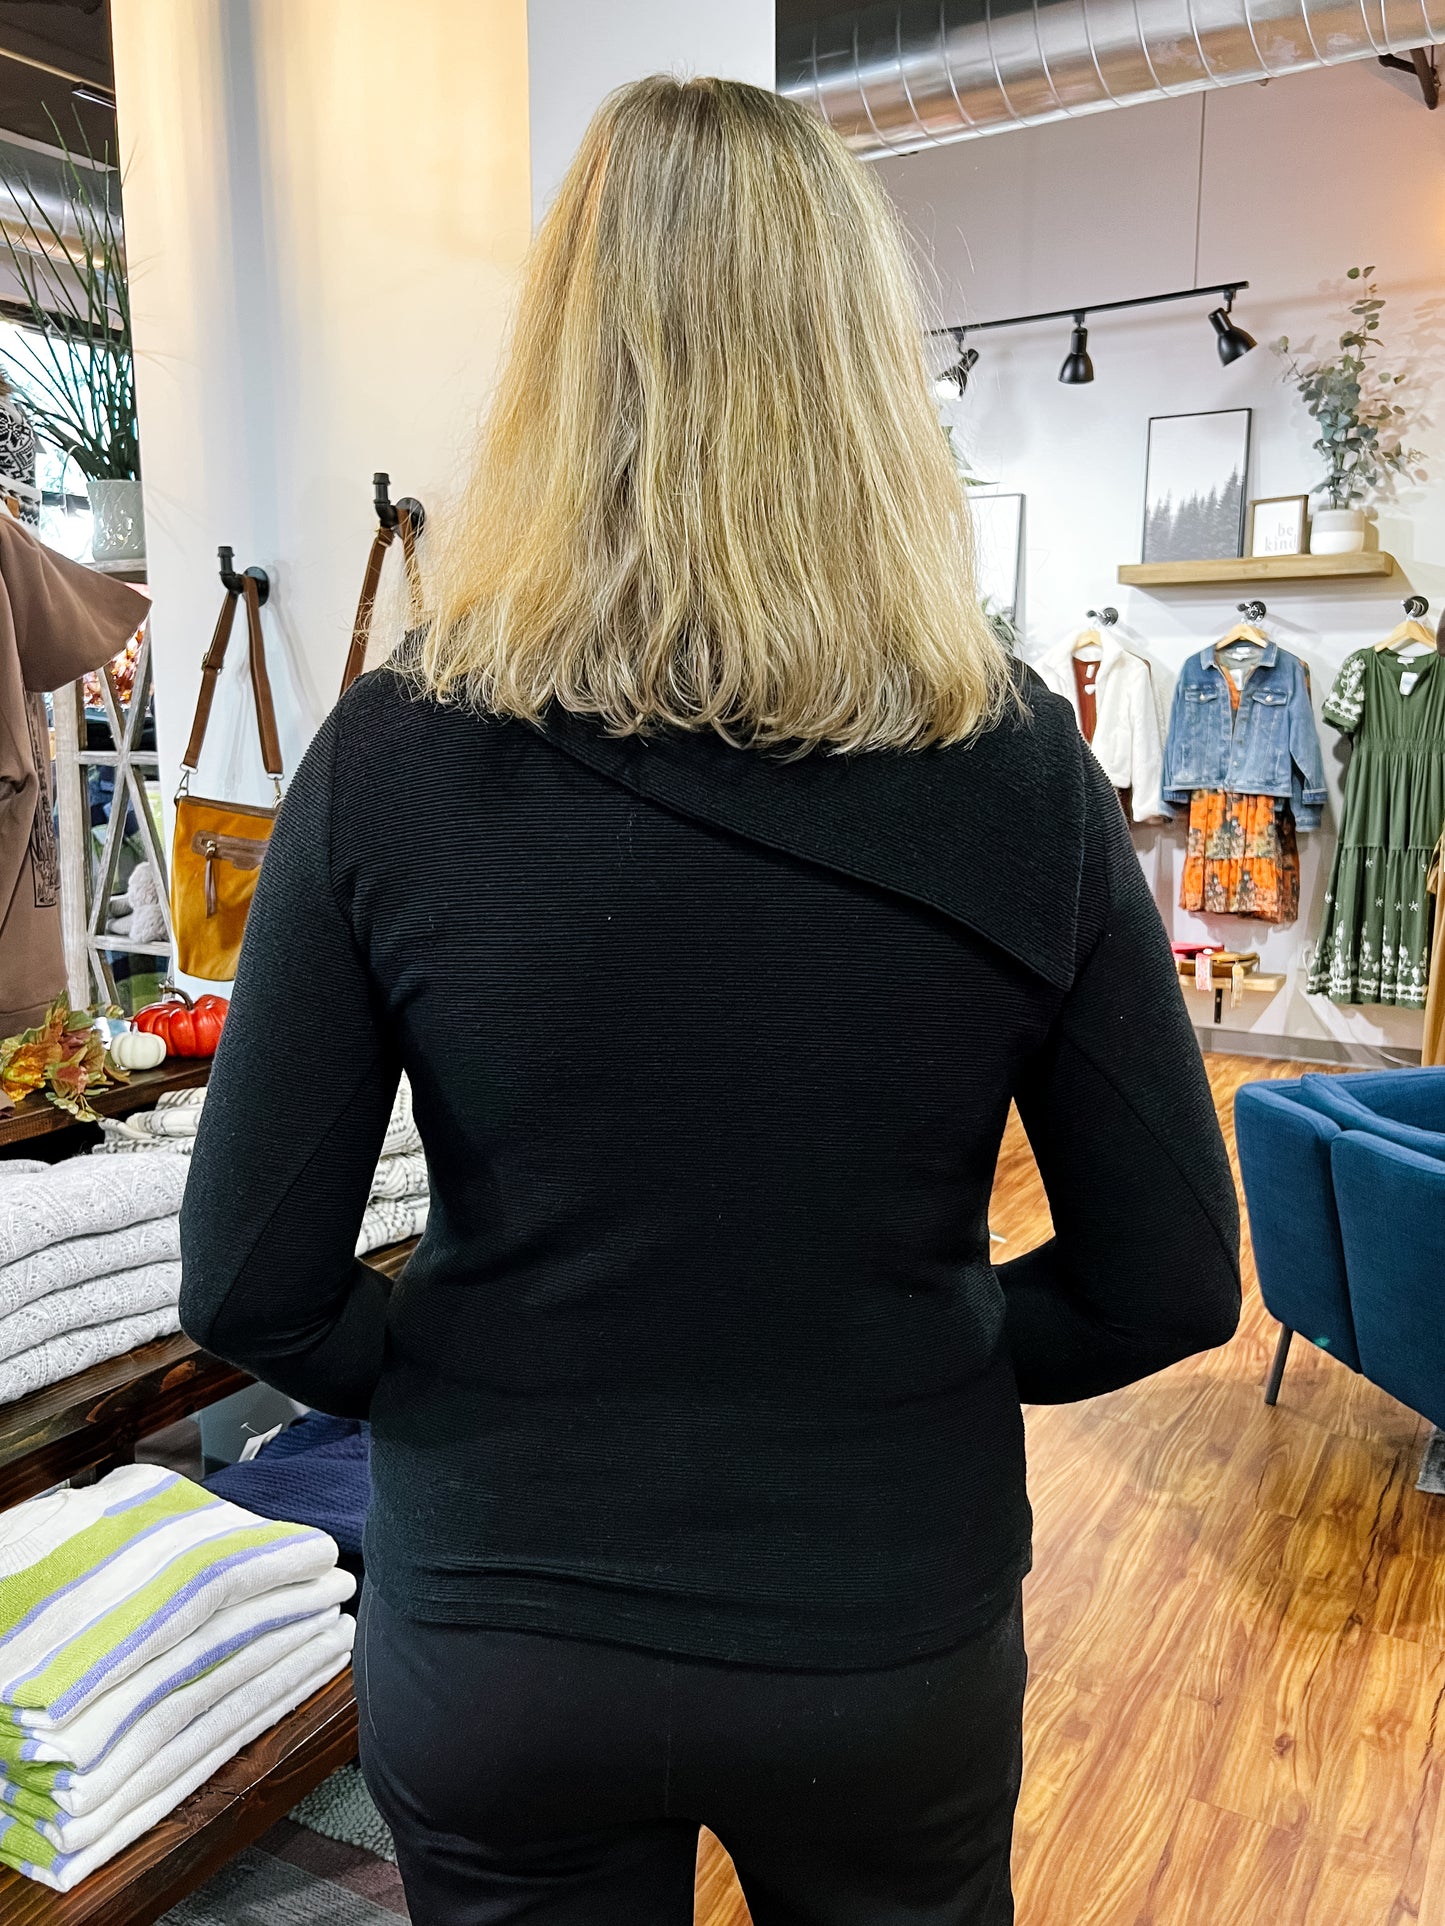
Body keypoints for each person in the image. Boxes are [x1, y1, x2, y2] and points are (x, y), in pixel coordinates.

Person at [179, 74, 1239, 1926]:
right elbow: (1166, 1280)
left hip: (503, 1628)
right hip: (879, 1629)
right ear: (852, 373)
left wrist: (447, 1379)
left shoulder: (390, 761)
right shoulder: (1017, 774)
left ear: (560, 370)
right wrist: (931, 1346)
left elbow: (248, 1281)